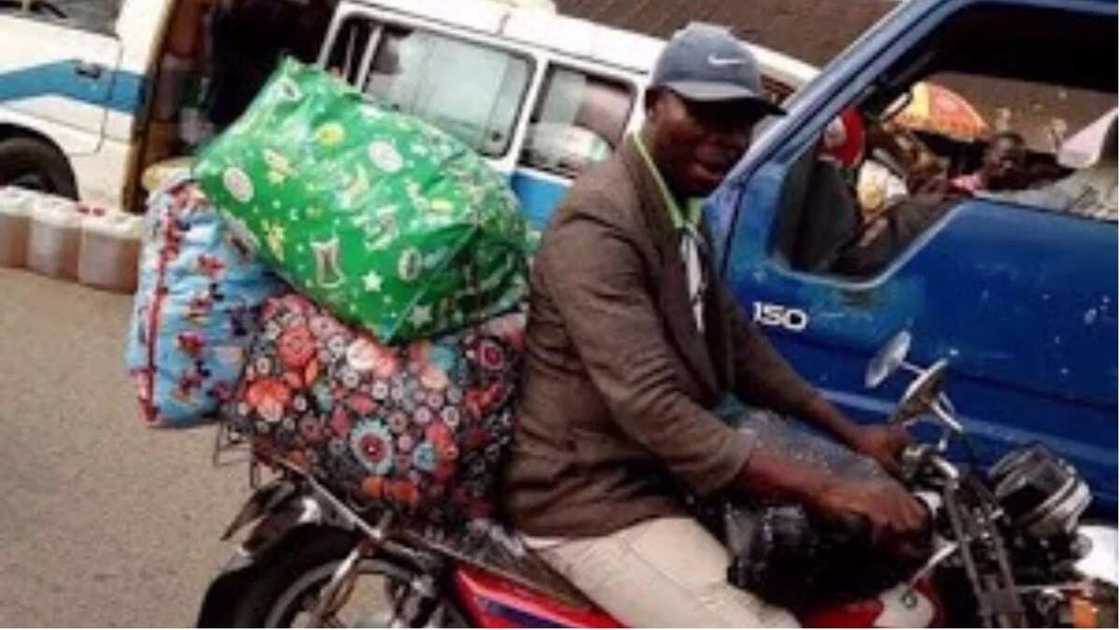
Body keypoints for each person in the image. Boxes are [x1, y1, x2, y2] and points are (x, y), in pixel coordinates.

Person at [504, 23, 927, 627]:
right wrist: (827, 488)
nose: (727, 139)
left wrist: (851, 436)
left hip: (666, 477)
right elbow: (652, 405)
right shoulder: (601, 223)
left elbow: (738, 342)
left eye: (742, 122)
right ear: (655, 105)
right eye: (706, 114)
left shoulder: (681, 206)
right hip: (592, 496)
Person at [950, 130, 1029, 194]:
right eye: (1004, 158)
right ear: (986, 155)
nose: (1009, 166)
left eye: (1016, 162)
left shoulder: (1017, 200)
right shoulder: (959, 189)